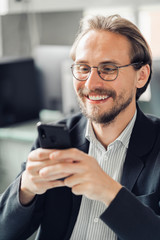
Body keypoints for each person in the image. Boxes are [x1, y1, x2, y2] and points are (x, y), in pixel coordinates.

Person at [1, 14, 160, 240]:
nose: (91, 84)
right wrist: (25, 190)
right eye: (83, 68)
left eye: (108, 69)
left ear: (141, 76)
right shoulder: (55, 139)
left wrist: (109, 192)